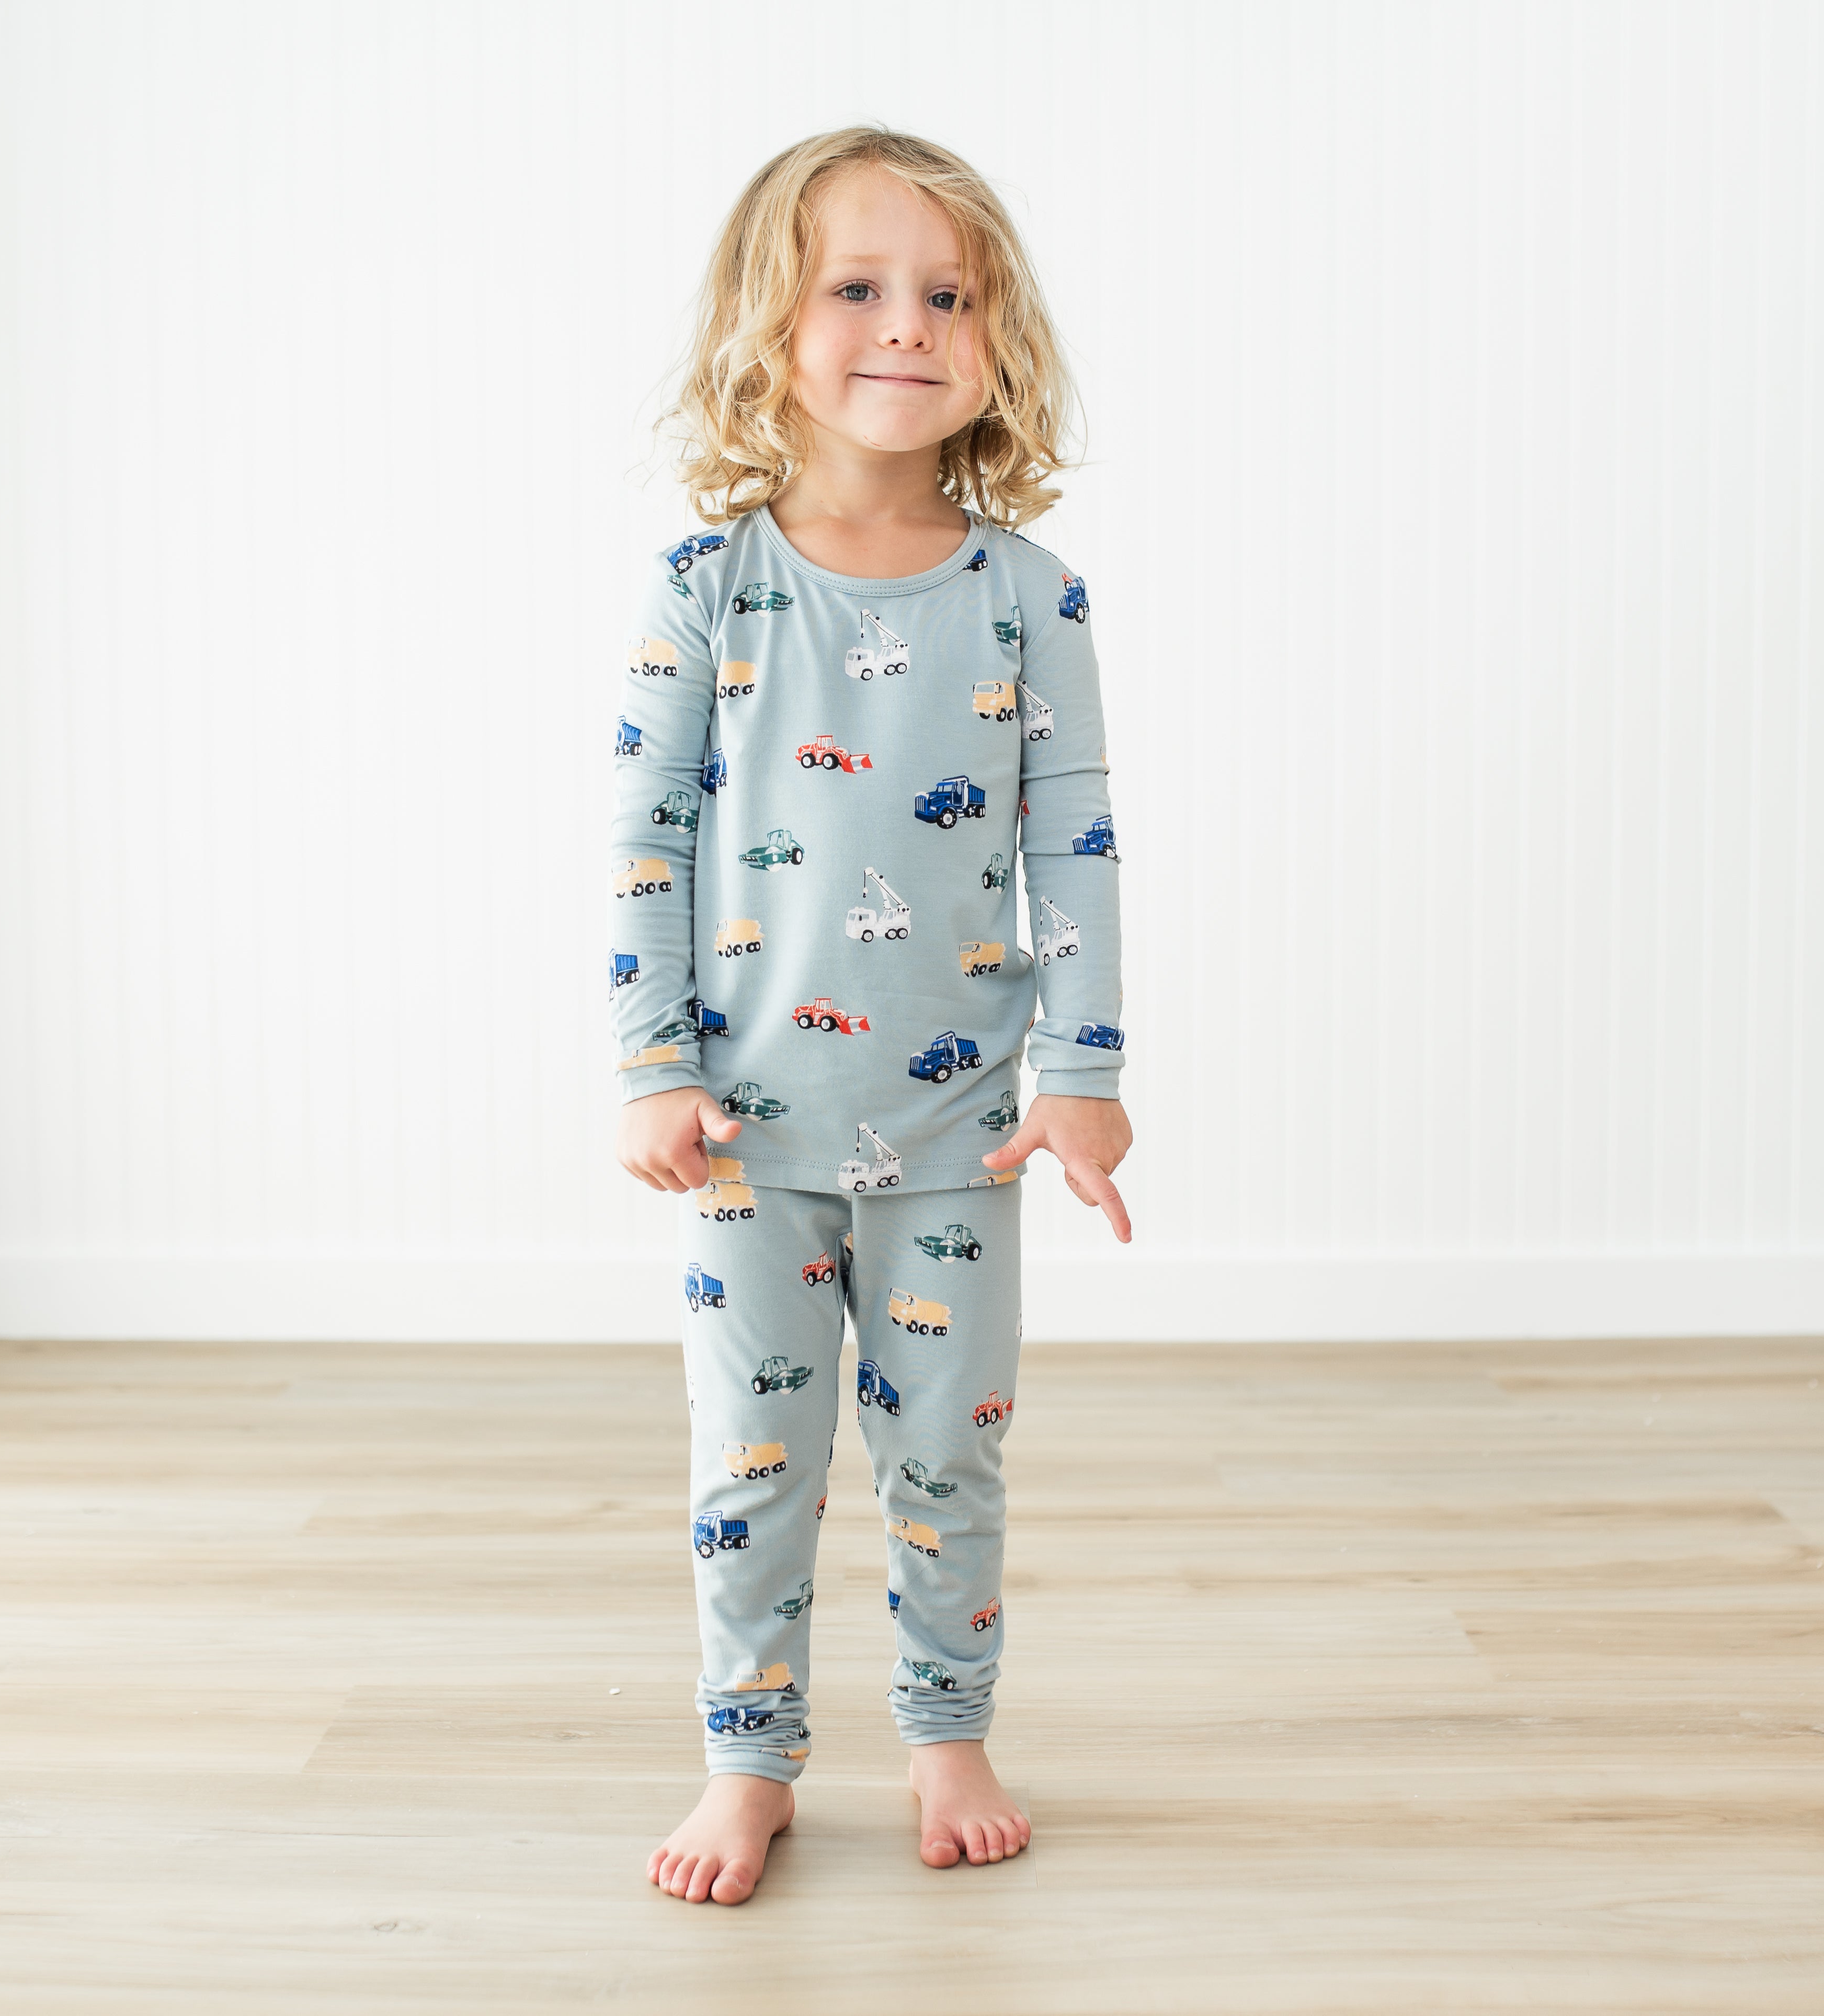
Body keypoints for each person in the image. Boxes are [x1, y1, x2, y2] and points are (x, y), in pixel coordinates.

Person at [613, 127, 1132, 1906]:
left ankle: (947, 1727)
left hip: (955, 1128)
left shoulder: (1032, 598)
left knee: (945, 1452)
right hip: (749, 1129)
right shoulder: (710, 590)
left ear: (996, 339)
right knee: (751, 1466)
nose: (905, 325)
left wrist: (1088, 1073)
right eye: (857, 286)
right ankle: (745, 1760)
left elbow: (1074, 835)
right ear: (772, 327)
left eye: (948, 293)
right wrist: (650, 1071)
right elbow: (649, 837)